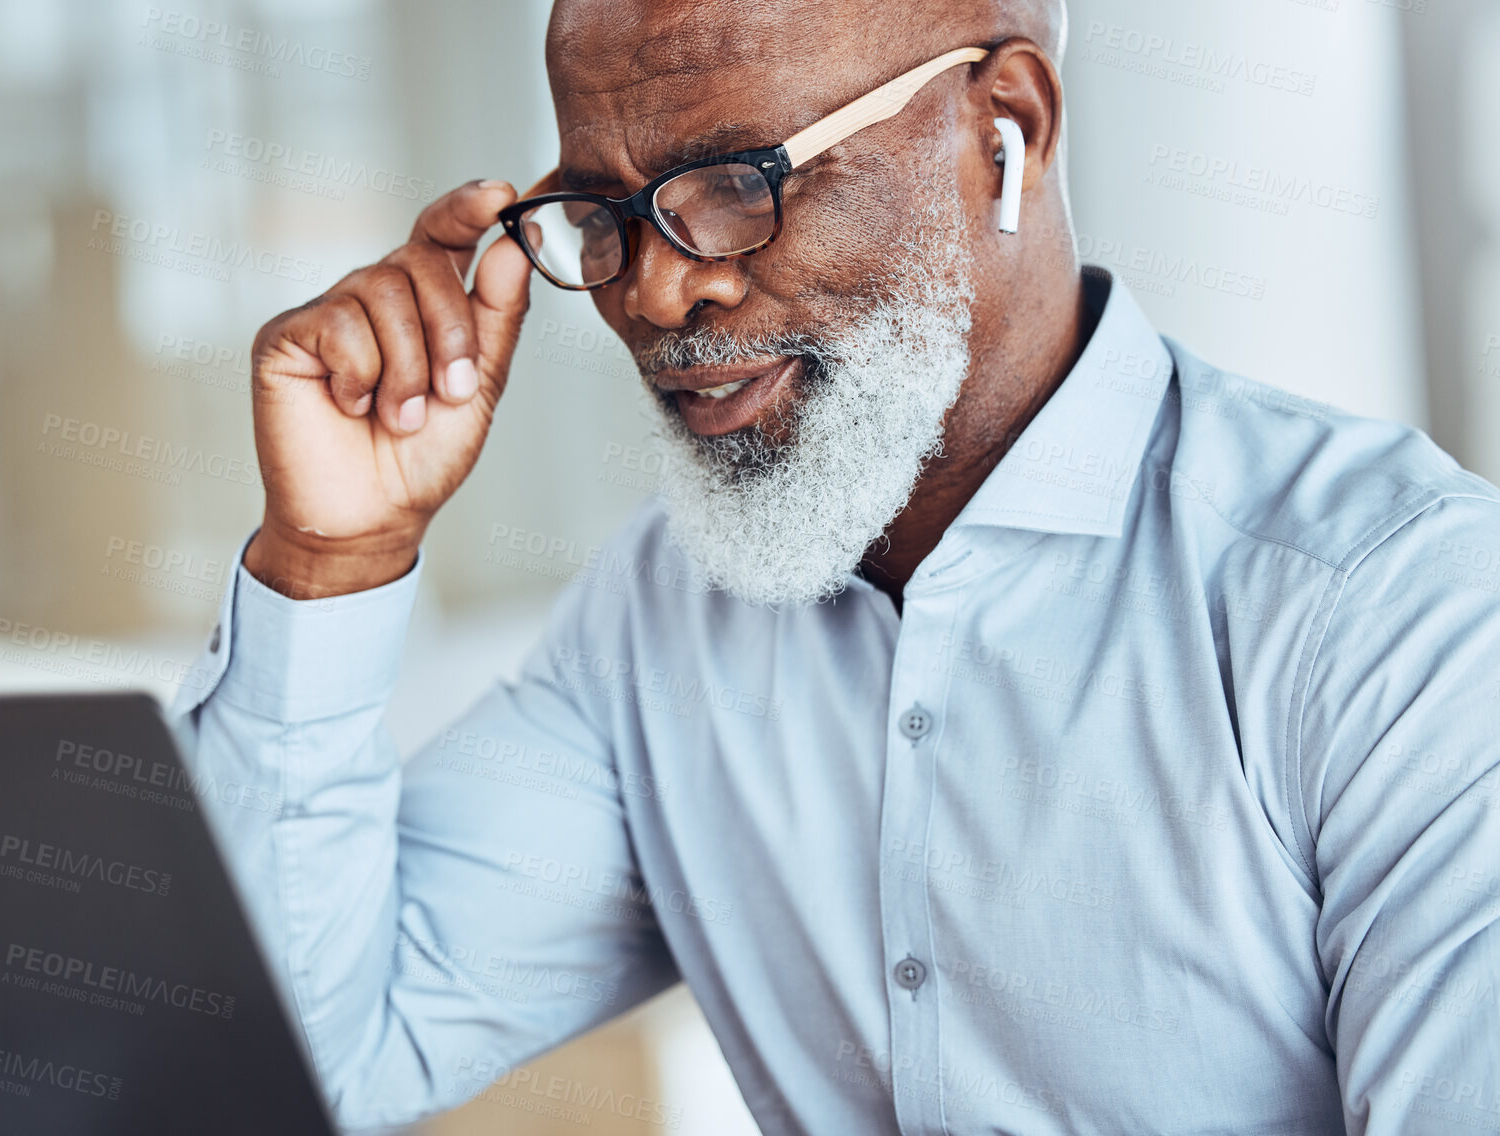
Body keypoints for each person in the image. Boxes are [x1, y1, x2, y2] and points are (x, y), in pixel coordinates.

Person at [171, 0, 1500, 1131]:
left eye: (739, 184)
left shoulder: (1389, 612)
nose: (652, 294)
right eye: (599, 214)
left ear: (1007, 131)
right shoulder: (656, 622)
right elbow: (313, 1055)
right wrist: (333, 556)